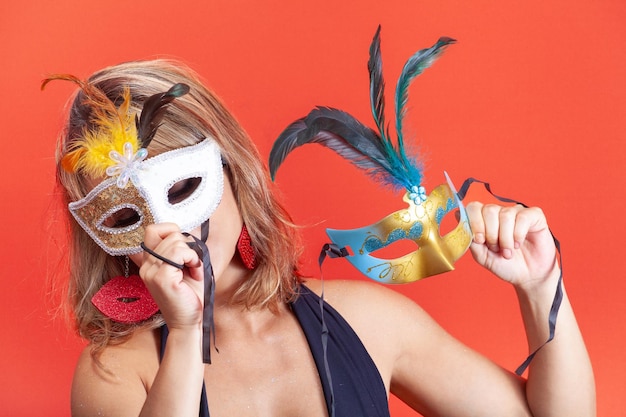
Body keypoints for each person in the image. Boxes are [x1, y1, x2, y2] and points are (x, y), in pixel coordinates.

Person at [48, 58, 595, 417]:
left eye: (185, 186)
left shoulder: (368, 322)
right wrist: (187, 335)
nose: (173, 230)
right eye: (124, 216)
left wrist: (541, 285)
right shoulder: (116, 373)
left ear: (234, 172)